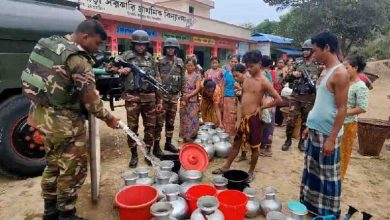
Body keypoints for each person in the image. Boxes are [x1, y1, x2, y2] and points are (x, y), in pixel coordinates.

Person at [22, 19, 119, 220]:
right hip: (63, 123)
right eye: (98, 43)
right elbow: (92, 102)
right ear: (85, 37)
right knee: (72, 169)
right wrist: (109, 118)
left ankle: (50, 212)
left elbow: (40, 78)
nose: (98, 48)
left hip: (40, 114)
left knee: (53, 164)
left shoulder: (49, 43)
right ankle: (66, 214)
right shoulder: (78, 60)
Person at [212, 50, 282, 181]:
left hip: (254, 119)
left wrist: (262, 107)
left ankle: (251, 172)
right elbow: (243, 97)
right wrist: (239, 116)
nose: (249, 69)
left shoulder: (264, 81)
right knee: (236, 143)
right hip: (244, 118)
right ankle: (226, 166)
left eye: (251, 66)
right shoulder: (247, 78)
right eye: (247, 66)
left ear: (259, 64)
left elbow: (278, 99)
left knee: (255, 147)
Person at [300, 32, 349, 218]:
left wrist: (331, 138)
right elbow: (321, 102)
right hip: (315, 129)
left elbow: (342, 109)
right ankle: (313, 208)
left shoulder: (340, 73)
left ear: (327, 48)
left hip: (327, 133)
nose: (313, 55)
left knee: (328, 177)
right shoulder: (325, 70)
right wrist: (308, 124)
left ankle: (329, 213)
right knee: (313, 172)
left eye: (315, 51)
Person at [108, 30, 163, 168]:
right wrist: (121, 70)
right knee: (132, 127)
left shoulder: (150, 58)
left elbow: (156, 79)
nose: (140, 47)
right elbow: (108, 67)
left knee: (150, 127)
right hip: (132, 97)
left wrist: (159, 100)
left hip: (149, 97)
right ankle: (134, 154)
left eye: (143, 45)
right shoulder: (126, 56)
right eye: (138, 44)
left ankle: (148, 153)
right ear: (134, 44)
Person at [282, 39, 321, 151]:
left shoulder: (318, 65)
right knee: (291, 119)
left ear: (312, 51)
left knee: (306, 121)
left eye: (307, 50)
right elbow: (287, 78)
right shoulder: (297, 63)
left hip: (309, 97)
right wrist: (293, 74)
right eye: (304, 50)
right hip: (296, 96)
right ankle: (288, 140)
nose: (305, 52)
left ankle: (302, 142)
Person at [154, 38, 185, 155]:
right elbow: (157, 80)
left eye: (173, 48)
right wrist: (158, 98)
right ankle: (156, 146)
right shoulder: (159, 61)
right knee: (159, 122)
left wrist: (183, 96)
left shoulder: (180, 62)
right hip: (162, 97)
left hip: (174, 97)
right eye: (168, 47)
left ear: (176, 49)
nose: (170, 50)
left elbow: (183, 80)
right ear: (165, 48)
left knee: (171, 122)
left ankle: (168, 143)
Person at [340, 55, 369, 180]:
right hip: (336, 121)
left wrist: (344, 113)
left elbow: (362, 107)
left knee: (343, 153)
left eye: (346, 67)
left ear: (355, 68)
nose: (343, 70)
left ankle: (339, 177)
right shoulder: (343, 81)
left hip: (348, 124)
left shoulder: (361, 86)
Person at [180, 59, 202, 142]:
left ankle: (192, 136)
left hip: (193, 100)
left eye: (191, 65)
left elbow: (198, 89)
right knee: (184, 119)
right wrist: (183, 96)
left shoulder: (197, 75)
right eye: (188, 65)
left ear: (194, 66)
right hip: (183, 100)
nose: (189, 67)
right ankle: (184, 136)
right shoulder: (183, 75)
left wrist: (188, 96)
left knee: (192, 119)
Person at [222, 54, 239, 135]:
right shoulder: (226, 73)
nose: (233, 63)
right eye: (232, 61)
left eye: (235, 62)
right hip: (227, 97)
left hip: (237, 97)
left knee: (234, 115)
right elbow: (223, 85)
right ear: (229, 62)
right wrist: (222, 97)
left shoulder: (240, 74)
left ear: (238, 62)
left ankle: (234, 132)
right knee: (226, 116)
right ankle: (226, 132)